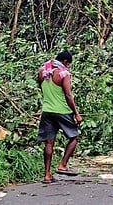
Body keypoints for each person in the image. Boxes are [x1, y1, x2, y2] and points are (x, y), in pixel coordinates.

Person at [37, 50, 82, 184]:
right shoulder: (64, 74)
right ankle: (62, 165)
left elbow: (42, 88)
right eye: (68, 64)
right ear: (65, 62)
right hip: (62, 110)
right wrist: (76, 113)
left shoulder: (42, 72)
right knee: (74, 137)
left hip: (47, 110)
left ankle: (47, 175)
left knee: (49, 142)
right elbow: (68, 95)